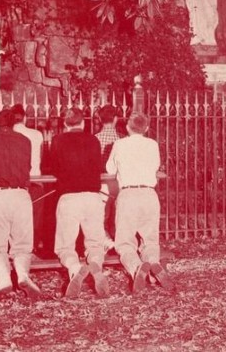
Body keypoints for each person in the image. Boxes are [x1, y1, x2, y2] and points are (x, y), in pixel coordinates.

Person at [0, 109, 41, 301]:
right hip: (21, 195)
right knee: (22, 243)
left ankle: (3, 278)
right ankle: (22, 275)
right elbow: (28, 167)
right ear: (14, 123)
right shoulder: (25, 141)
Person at [106, 112, 174, 293]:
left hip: (128, 194)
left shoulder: (119, 144)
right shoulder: (153, 144)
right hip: (149, 195)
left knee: (125, 242)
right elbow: (155, 166)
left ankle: (137, 268)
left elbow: (109, 168)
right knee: (150, 239)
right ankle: (152, 262)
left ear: (127, 127)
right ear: (146, 128)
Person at [51, 108, 109, 298]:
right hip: (92, 196)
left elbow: (53, 166)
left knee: (65, 246)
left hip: (69, 197)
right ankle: (96, 266)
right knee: (95, 243)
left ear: (66, 123)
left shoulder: (58, 140)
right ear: (83, 123)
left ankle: (75, 269)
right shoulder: (93, 140)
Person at [11, 104, 44, 254]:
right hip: (36, 178)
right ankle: (34, 245)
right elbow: (42, 156)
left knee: (17, 216)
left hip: (17, 182)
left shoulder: (8, 135)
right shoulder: (37, 134)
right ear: (25, 118)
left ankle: (18, 248)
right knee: (35, 214)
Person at [95, 105, 121, 243]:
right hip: (117, 182)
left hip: (102, 182)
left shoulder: (95, 139)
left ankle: (104, 242)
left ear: (99, 119)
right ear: (116, 119)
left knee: (102, 215)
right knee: (117, 215)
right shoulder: (121, 140)